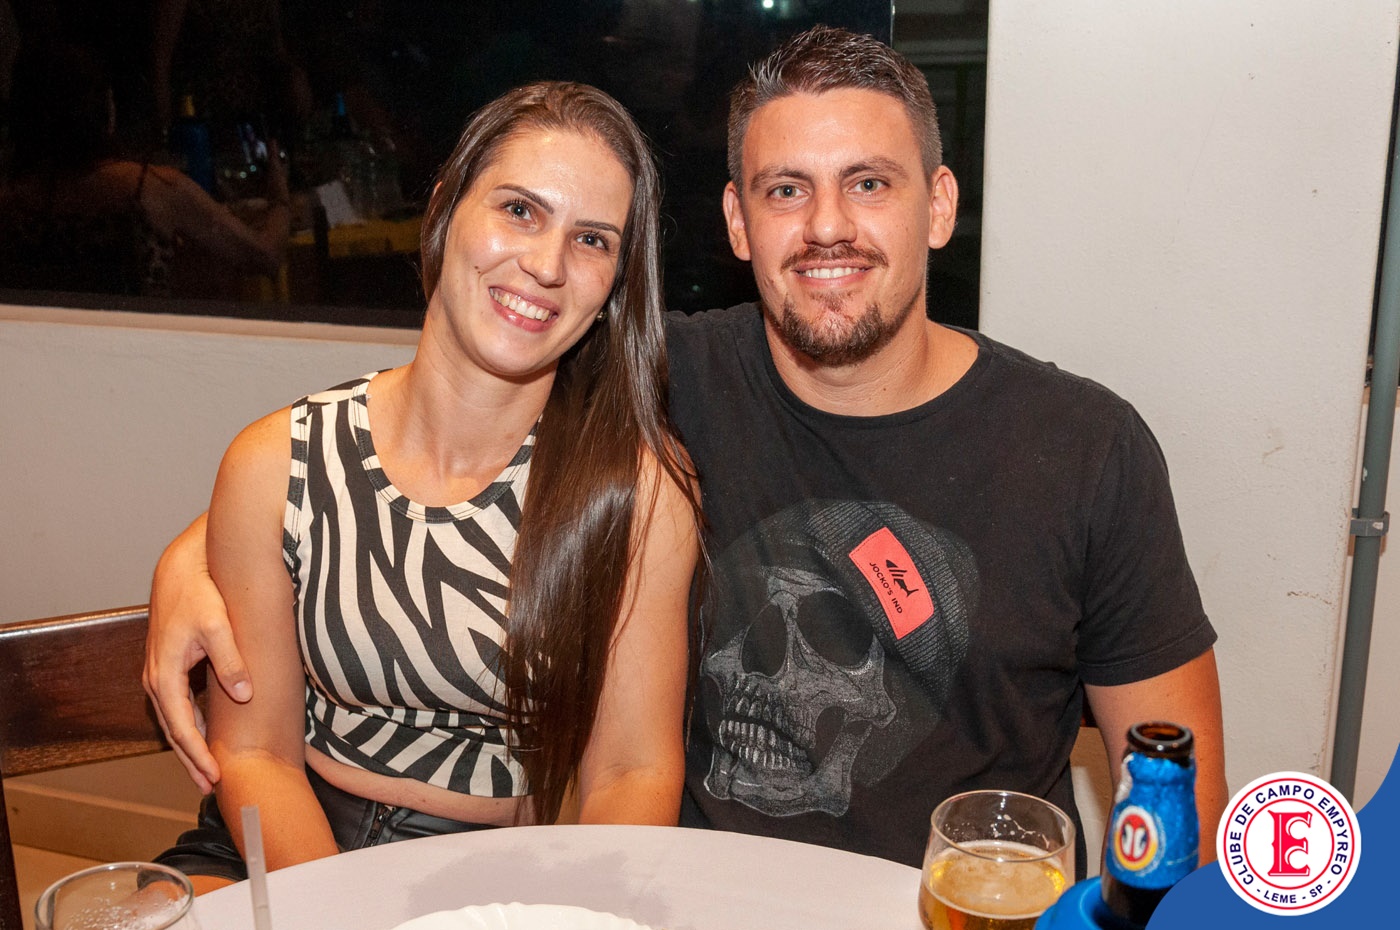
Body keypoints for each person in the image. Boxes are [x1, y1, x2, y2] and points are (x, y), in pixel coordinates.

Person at [144, 27, 1226, 872]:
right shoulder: (660, 379)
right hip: (697, 900)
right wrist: (194, 555)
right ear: (738, 222)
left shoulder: (1086, 451)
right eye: (786, 190)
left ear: (937, 206)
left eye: (869, 183)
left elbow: (1181, 814)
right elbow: (399, 456)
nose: (827, 227)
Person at [147, 80, 701, 892]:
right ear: (443, 208)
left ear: (616, 280)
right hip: (286, 844)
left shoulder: (637, 496)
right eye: (520, 210)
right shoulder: (274, 463)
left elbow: (631, 772)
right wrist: (338, 912)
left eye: (592, 240)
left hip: (500, 876)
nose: (547, 265)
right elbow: (256, 751)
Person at [0, 40, 290, 298]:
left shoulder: (10, 203)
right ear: (104, 108)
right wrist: (280, 198)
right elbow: (265, 255)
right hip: (138, 341)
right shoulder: (151, 189)